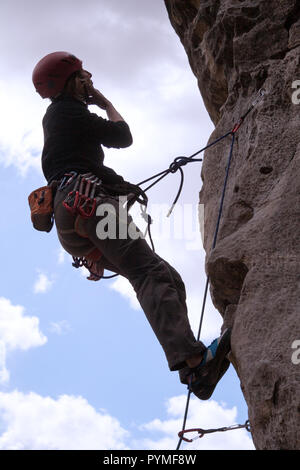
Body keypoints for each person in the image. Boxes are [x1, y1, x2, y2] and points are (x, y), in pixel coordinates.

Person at [32, 51, 231, 400]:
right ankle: (195, 360)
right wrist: (104, 101)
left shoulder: (59, 122)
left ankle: (193, 371)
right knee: (149, 274)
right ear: (67, 84)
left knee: (167, 276)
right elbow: (122, 136)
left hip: (74, 212)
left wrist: (122, 187)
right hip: (89, 203)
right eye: (81, 76)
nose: (88, 80)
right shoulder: (68, 111)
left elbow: (83, 164)